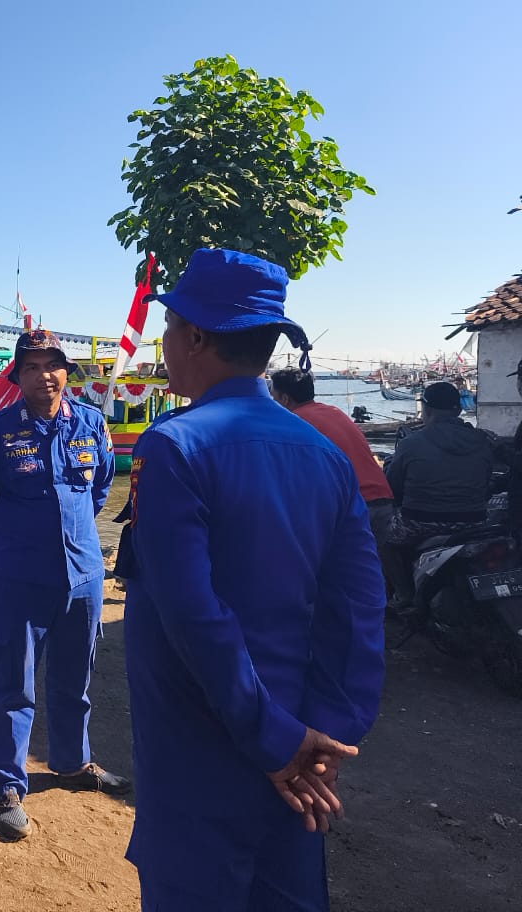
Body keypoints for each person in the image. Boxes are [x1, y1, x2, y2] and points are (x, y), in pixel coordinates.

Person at [116, 248, 386, 910]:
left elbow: (194, 616)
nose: (164, 342)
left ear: (195, 337)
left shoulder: (173, 446)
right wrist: (326, 735)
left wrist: (275, 740)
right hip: (300, 744)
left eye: (169, 326)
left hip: (202, 740)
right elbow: (358, 606)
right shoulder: (323, 453)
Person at [0, 328, 128, 842]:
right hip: (21, 581)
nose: (44, 375)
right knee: (15, 685)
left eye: (52, 364)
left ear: (66, 372)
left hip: (83, 578)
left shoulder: (91, 423)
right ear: (18, 377)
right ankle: (8, 786)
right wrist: (14, 545)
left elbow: (100, 487)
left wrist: (72, 540)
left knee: (75, 678)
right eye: (31, 367)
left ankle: (72, 762)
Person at [382, 380, 495, 609]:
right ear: (459, 409)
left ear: (427, 410)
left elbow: (393, 487)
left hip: (420, 521)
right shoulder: (483, 441)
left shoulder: (410, 443)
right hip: (474, 521)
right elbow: (486, 482)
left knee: (384, 543)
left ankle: (404, 595)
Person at [268, 368, 396, 544]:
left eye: (273, 397)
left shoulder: (292, 423)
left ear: (284, 399)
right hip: (383, 500)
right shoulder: (335, 412)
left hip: (352, 506)